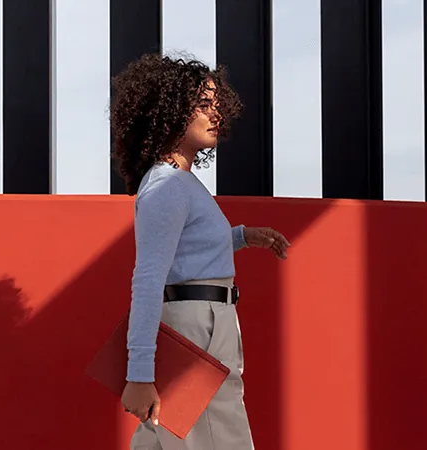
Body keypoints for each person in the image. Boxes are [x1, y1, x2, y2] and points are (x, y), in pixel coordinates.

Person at [110, 53, 290, 450]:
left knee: (166, 439)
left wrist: (242, 237)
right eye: (203, 105)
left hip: (203, 319)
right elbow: (149, 278)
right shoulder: (167, 187)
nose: (216, 114)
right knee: (219, 439)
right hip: (198, 326)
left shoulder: (181, 182)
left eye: (217, 104)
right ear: (172, 111)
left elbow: (190, 253)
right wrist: (139, 373)